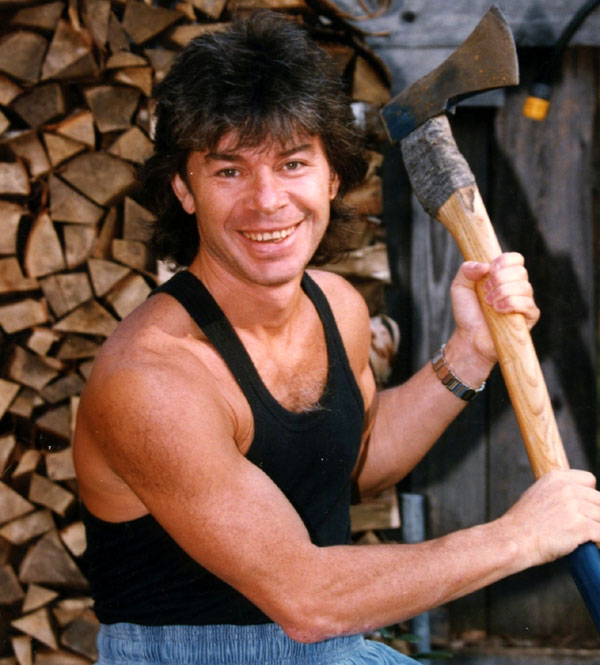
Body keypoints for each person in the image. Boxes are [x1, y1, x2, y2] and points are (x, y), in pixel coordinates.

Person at [73, 11, 600, 665]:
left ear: (333, 178)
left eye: (293, 163)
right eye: (230, 171)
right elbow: (307, 599)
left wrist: (470, 352)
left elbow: (353, 463)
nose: (268, 200)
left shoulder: (336, 307)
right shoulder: (154, 382)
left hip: (332, 648)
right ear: (184, 189)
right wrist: (519, 536)